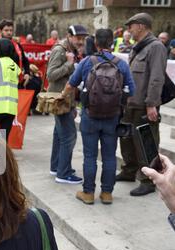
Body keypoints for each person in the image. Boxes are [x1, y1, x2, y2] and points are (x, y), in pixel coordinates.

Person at [59, 29, 135, 205]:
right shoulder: (121, 64)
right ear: (111, 42)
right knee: (109, 157)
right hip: (113, 117)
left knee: (90, 156)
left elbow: (71, 84)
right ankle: (107, 193)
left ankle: (88, 193)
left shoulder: (87, 62)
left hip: (90, 116)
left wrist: (62, 95)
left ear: (96, 44)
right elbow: (132, 90)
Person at [116, 13, 167, 197]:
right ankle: (129, 170)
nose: (129, 30)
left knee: (146, 142)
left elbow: (156, 78)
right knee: (127, 139)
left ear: (141, 26)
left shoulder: (156, 47)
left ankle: (148, 180)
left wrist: (152, 104)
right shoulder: (137, 47)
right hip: (131, 103)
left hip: (145, 105)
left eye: (131, 26)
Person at [47, 24, 88, 185]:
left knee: (59, 135)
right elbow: (51, 75)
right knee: (69, 136)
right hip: (60, 100)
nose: (81, 41)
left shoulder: (71, 50)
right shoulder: (60, 50)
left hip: (65, 100)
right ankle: (63, 173)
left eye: (83, 38)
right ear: (69, 36)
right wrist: (69, 64)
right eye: (78, 38)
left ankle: (57, 167)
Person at [0, 19, 30, 87]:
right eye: (6, 30)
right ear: (0, 31)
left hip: (15, 84)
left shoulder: (17, 46)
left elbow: (25, 60)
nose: (9, 33)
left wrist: (27, 73)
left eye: (11, 30)